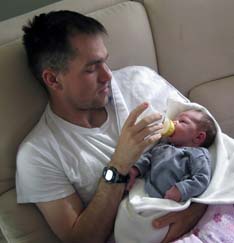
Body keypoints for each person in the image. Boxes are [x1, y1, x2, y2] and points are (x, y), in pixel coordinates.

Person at [16, 10, 207, 243]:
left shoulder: (141, 81)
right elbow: (81, 240)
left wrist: (198, 207)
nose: (108, 75)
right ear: (53, 79)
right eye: (91, 68)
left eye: (104, 61)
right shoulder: (38, 154)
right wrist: (119, 165)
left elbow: (212, 143)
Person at [127, 109, 217, 202]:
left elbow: (202, 179)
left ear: (198, 137)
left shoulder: (197, 154)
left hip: (172, 202)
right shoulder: (162, 146)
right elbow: (148, 157)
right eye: (174, 120)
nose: (173, 123)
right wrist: (135, 169)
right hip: (146, 194)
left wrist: (181, 190)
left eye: (182, 121)